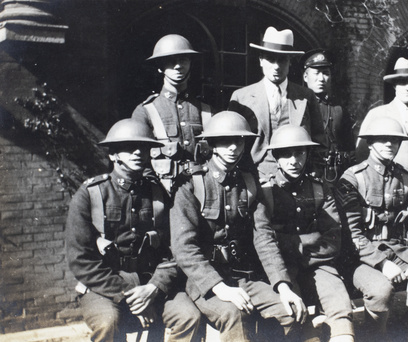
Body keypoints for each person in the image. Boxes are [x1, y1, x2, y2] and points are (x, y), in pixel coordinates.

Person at [170, 111, 308, 342]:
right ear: (213, 144)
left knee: (289, 311)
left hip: (244, 277)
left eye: (239, 140)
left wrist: (282, 285)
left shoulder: (249, 182)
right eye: (225, 140)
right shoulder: (192, 183)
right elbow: (184, 248)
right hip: (205, 282)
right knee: (235, 315)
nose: (233, 147)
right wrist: (219, 287)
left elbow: (263, 237)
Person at [66, 119, 202, 342]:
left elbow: (175, 248)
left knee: (189, 316)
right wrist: (129, 296)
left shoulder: (158, 194)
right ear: (113, 155)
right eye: (129, 147)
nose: (138, 152)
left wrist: (154, 287)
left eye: (144, 147)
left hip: (151, 283)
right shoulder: (90, 194)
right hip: (104, 286)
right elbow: (80, 260)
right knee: (107, 322)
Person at [335, 117, 408, 339]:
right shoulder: (352, 178)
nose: (389, 144)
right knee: (381, 290)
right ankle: (375, 336)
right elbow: (352, 234)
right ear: (370, 143)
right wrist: (382, 263)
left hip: (400, 251)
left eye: (394, 140)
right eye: (382, 140)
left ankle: (401, 331)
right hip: (362, 258)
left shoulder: (406, 179)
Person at [265, 125, 354, 342]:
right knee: (294, 316)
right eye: (286, 154)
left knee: (341, 311)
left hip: (319, 266)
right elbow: (265, 240)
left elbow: (333, 239)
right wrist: (310, 240)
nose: (294, 160)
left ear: (307, 154)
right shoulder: (267, 191)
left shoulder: (320, 189)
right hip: (283, 269)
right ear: (276, 158)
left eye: (300, 153)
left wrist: (293, 245)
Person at [229, 26, 326, 183]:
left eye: (282, 60)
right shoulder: (241, 97)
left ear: (290, 62)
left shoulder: (305, 96)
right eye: (270, 59)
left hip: (297, 182)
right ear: (261, 60)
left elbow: (320, 140)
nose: (276, 66)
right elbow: (232, 142)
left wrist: (314, 171)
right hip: (255, 179)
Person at [132, 34, 214, 194]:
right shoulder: (146, 111)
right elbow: (138, 159)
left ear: (190, 63)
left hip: (204, 192)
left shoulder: (207, 111)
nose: (178, 66)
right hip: (164, 193)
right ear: (160, 67)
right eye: (171, 61)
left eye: (183, 59)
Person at [355, 57, 408, 184]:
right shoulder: (377, 114)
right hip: (387, 186)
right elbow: (361, 153)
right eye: (402, 82)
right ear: (394, 86)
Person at [299, 49, 355, 183]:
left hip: (335, 174)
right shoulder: (298, 106)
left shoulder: (338, 109)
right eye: (317, 73)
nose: (321, 78)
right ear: (305, 77)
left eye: (326, 73)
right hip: (306, 174)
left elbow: (350, 148)